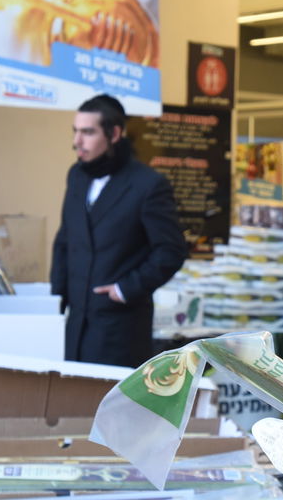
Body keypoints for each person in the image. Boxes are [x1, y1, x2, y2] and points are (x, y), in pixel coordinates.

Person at [50, 94, 186, 366]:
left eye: (87, 132)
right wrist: (55, 300)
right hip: (74, 324)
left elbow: (171, 250)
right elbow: (66, 239)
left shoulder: (148, 184)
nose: (77, 141)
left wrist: (126, 288)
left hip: (120, 328)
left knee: (107, 406)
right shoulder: (76, 176)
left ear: (114, 134)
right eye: (76, 131)